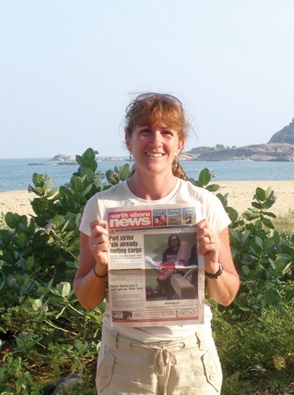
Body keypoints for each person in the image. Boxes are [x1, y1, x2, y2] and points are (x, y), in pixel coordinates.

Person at [73, 92, 240, 394]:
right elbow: (86, 299)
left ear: (180, 143)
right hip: (124, 359)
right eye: (145, 131)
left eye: (167, 133)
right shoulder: (101, 206)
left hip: (192, 357)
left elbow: (227, 296)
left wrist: (214, 266)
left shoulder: (205, 204)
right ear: (129, 140)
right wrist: (100, 268)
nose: (156, 141)